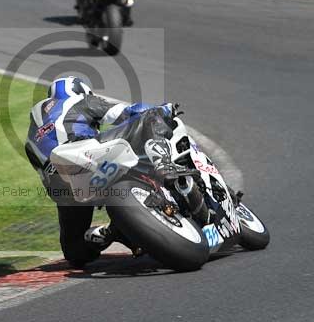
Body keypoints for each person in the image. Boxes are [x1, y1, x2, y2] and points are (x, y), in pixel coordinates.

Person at [25, 76, 203, 268]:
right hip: (85, 153)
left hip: (63, 183)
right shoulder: (79, 100)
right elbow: (127, 111)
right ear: (79, 90)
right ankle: (163, 165)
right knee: (150, 117)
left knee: (75, 251)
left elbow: (43, 174)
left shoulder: (30, 133)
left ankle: (112, 232)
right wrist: (164, 109)